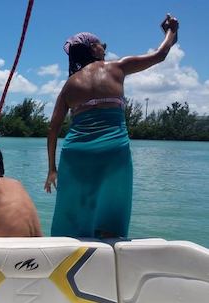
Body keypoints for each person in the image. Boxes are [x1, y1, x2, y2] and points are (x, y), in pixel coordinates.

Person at [44, 15, 179, 238]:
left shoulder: (70, 84)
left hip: (76, 154)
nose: (105, 48)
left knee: (72, 220)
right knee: (111, 218)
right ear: (92, 49)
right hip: (113, 152)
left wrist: (51, 169)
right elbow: (160, 55)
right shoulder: (118, 67)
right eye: (101, 44)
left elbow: (53, 129)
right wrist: (171, 31)